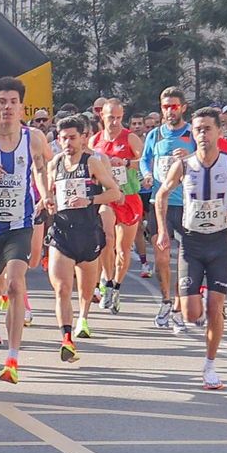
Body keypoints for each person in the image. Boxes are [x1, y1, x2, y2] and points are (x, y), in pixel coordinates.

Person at [153, 106, 227, 390]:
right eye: (197, 130)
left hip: (220, 242)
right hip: (192, 242)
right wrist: (162, 230)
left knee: (214, 307)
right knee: (190, 314)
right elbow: (161, 196)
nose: (202, 134)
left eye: (207, 129)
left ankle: (210, 366)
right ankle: (201, 305)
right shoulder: (184, 165)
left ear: (219, 132)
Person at [0, 76, 53, 385]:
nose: (8, 107)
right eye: (2, 102)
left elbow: (42, 169)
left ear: (21, 106)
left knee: (16, 284)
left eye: (13, 102)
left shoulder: (34, 138)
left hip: (20, 223)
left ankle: (12, 358)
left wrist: (45, 194)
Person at [45, 115, 123, 353]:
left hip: (88, 233)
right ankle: (66, 339)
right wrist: (47, 203)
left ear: (82, 138)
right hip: (61, 233)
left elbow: (115, 193)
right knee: (62, 289)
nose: (67, 143)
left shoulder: (92, 163)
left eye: (72, 138)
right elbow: (49, 195)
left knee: (85, 289)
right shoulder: (54, 164)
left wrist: (89, 199)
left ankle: (83, 317)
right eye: (63, 138)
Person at [140, 87, 197, 326]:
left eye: (174, 106)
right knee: (161, 258)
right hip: (159, 203)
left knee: (185, 259)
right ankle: (165, 300)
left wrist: (189, 155)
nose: (170, 111)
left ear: (183, 107)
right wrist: (146, 174)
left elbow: (204, 159)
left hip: (185, 204)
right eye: (165, 107)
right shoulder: (156, 134)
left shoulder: (192, 133)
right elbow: (145, 159)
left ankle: (177, 305)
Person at [90, 99, 145, 315]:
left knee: (123, 250)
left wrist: (127, 163)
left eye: (118, 118)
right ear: (102, 116)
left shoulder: (129, 137)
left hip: (129, 197)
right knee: (107, 238)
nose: (114, 122)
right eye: (110, 117)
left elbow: (144, 160)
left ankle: (116, 287)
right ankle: (108, 279)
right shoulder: (96, 140)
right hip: (108, 197)